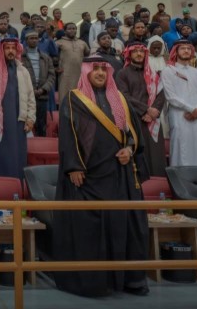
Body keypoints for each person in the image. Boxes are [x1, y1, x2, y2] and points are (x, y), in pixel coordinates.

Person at [53, 56, 149, 298]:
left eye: (103, 70)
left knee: (124, 224)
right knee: (91, 229)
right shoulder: (74, 99)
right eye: (95, 69)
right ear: (86, 72)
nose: (99, 73)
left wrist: (129, 149)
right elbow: (68, 134)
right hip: (88, 176)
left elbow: (133, 132)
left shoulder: (121, 99)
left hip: (120, 174)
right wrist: (73, 166)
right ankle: (94, 282)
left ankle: (129, 280)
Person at [0, 39, 35, 179]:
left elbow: (30, 97)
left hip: (17, 122)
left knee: (15, 157)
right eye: (7, 48)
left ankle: (15, 187)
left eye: (13, 48)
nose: (11, 51)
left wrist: (30, 118)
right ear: (1, 50)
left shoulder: (23, 71)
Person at [161, 40, 197, 166]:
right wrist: (192, 109)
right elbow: (171, 97)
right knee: (182, 147)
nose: (186, 51)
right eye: (182, 48)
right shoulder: (168, 71)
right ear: (175, 52)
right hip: (179, 115)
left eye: (188, 48)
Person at [116, 42, 167, 177]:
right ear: (129, 54)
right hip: (134, 120)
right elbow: (124, 96)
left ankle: (159, 186)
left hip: (153, 119)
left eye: (141, 51)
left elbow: (161, 93)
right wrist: (146, 110)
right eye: (135, 51)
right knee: (139, 155)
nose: (139, 54)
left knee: (156, 156)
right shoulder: (122, 74)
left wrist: (154, 111)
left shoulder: (153, 73)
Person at [21, 32, 56, 136]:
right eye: (31, 38)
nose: (34, 40)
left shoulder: (46, 57)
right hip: (25, 96)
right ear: (26, 41)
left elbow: (51, 76)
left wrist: (43, 89)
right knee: (25, 124)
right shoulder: (21, 57)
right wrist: (31, 90)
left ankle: (41, 143)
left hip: (42, 96)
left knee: (41, 126)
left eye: (36, 38)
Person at [56, 22, 90, 106]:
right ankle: (64, 114)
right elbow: (51, 57)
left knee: (80, 99)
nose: (72, 30)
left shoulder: (82, 43)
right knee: (64, 98)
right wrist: (56, 68)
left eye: (74, 28)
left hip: (80, 75)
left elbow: (88, 55)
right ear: (65, 31)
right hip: (65, 75)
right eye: (69, 29)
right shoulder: (58, 43)